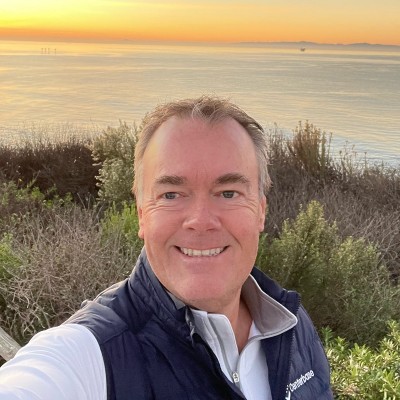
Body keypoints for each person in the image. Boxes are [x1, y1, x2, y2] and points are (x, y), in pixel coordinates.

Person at [0, 96, 333, 399]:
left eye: (228, 193)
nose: (200, 221)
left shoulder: (292, 323)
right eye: (171, 195)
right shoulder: (90, 355)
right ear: (142, 215)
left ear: (260, 211)